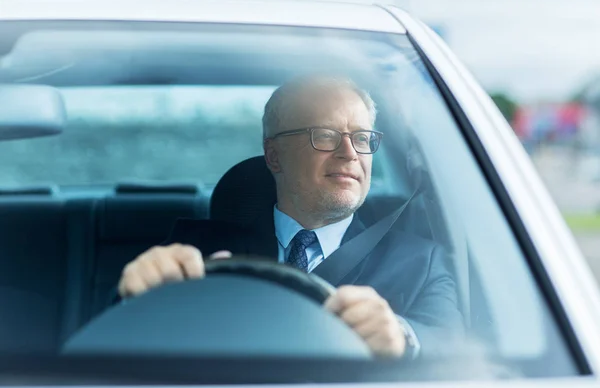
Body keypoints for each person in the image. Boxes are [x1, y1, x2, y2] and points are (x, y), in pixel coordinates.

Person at [117, 76, 464, 358]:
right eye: (325, 136)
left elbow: (458, 352)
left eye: (361, 138)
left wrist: (403, 337)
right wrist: (137, 298)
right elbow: (114, 337)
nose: (349, 153)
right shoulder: (193, 250)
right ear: (274, 156)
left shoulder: (421, 262)